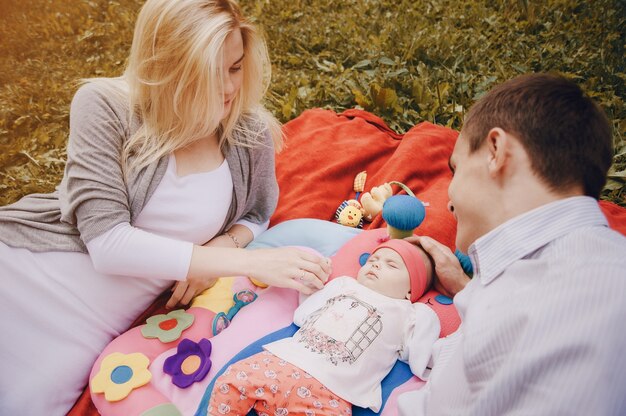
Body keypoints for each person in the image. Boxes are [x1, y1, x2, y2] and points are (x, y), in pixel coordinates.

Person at [0, 0, 330, 414]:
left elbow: (258, 214)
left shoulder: (248, 130)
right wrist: (240, 264)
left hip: (86, 327)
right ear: (167, 67)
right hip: (27, 269)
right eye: (211, 72)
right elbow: (107, 243)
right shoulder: (104, 105)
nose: (229, 88)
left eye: (234, 67)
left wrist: (225, 247)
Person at [399, 73, 626, 415]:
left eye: (455, 169)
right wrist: (467, 289)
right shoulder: (556, 270)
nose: (449, 200)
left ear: (495, 151)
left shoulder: (585, 315)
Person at [208, 239, 441, 415]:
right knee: (232, 381)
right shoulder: (343, 284)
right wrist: (310, 283)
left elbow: (421, 356)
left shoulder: (410, 314)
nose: (376, 265)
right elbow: (304, 314)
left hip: (331, 392)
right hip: (283, 362)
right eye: (373, 260)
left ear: (411, 290)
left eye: (391, 265)